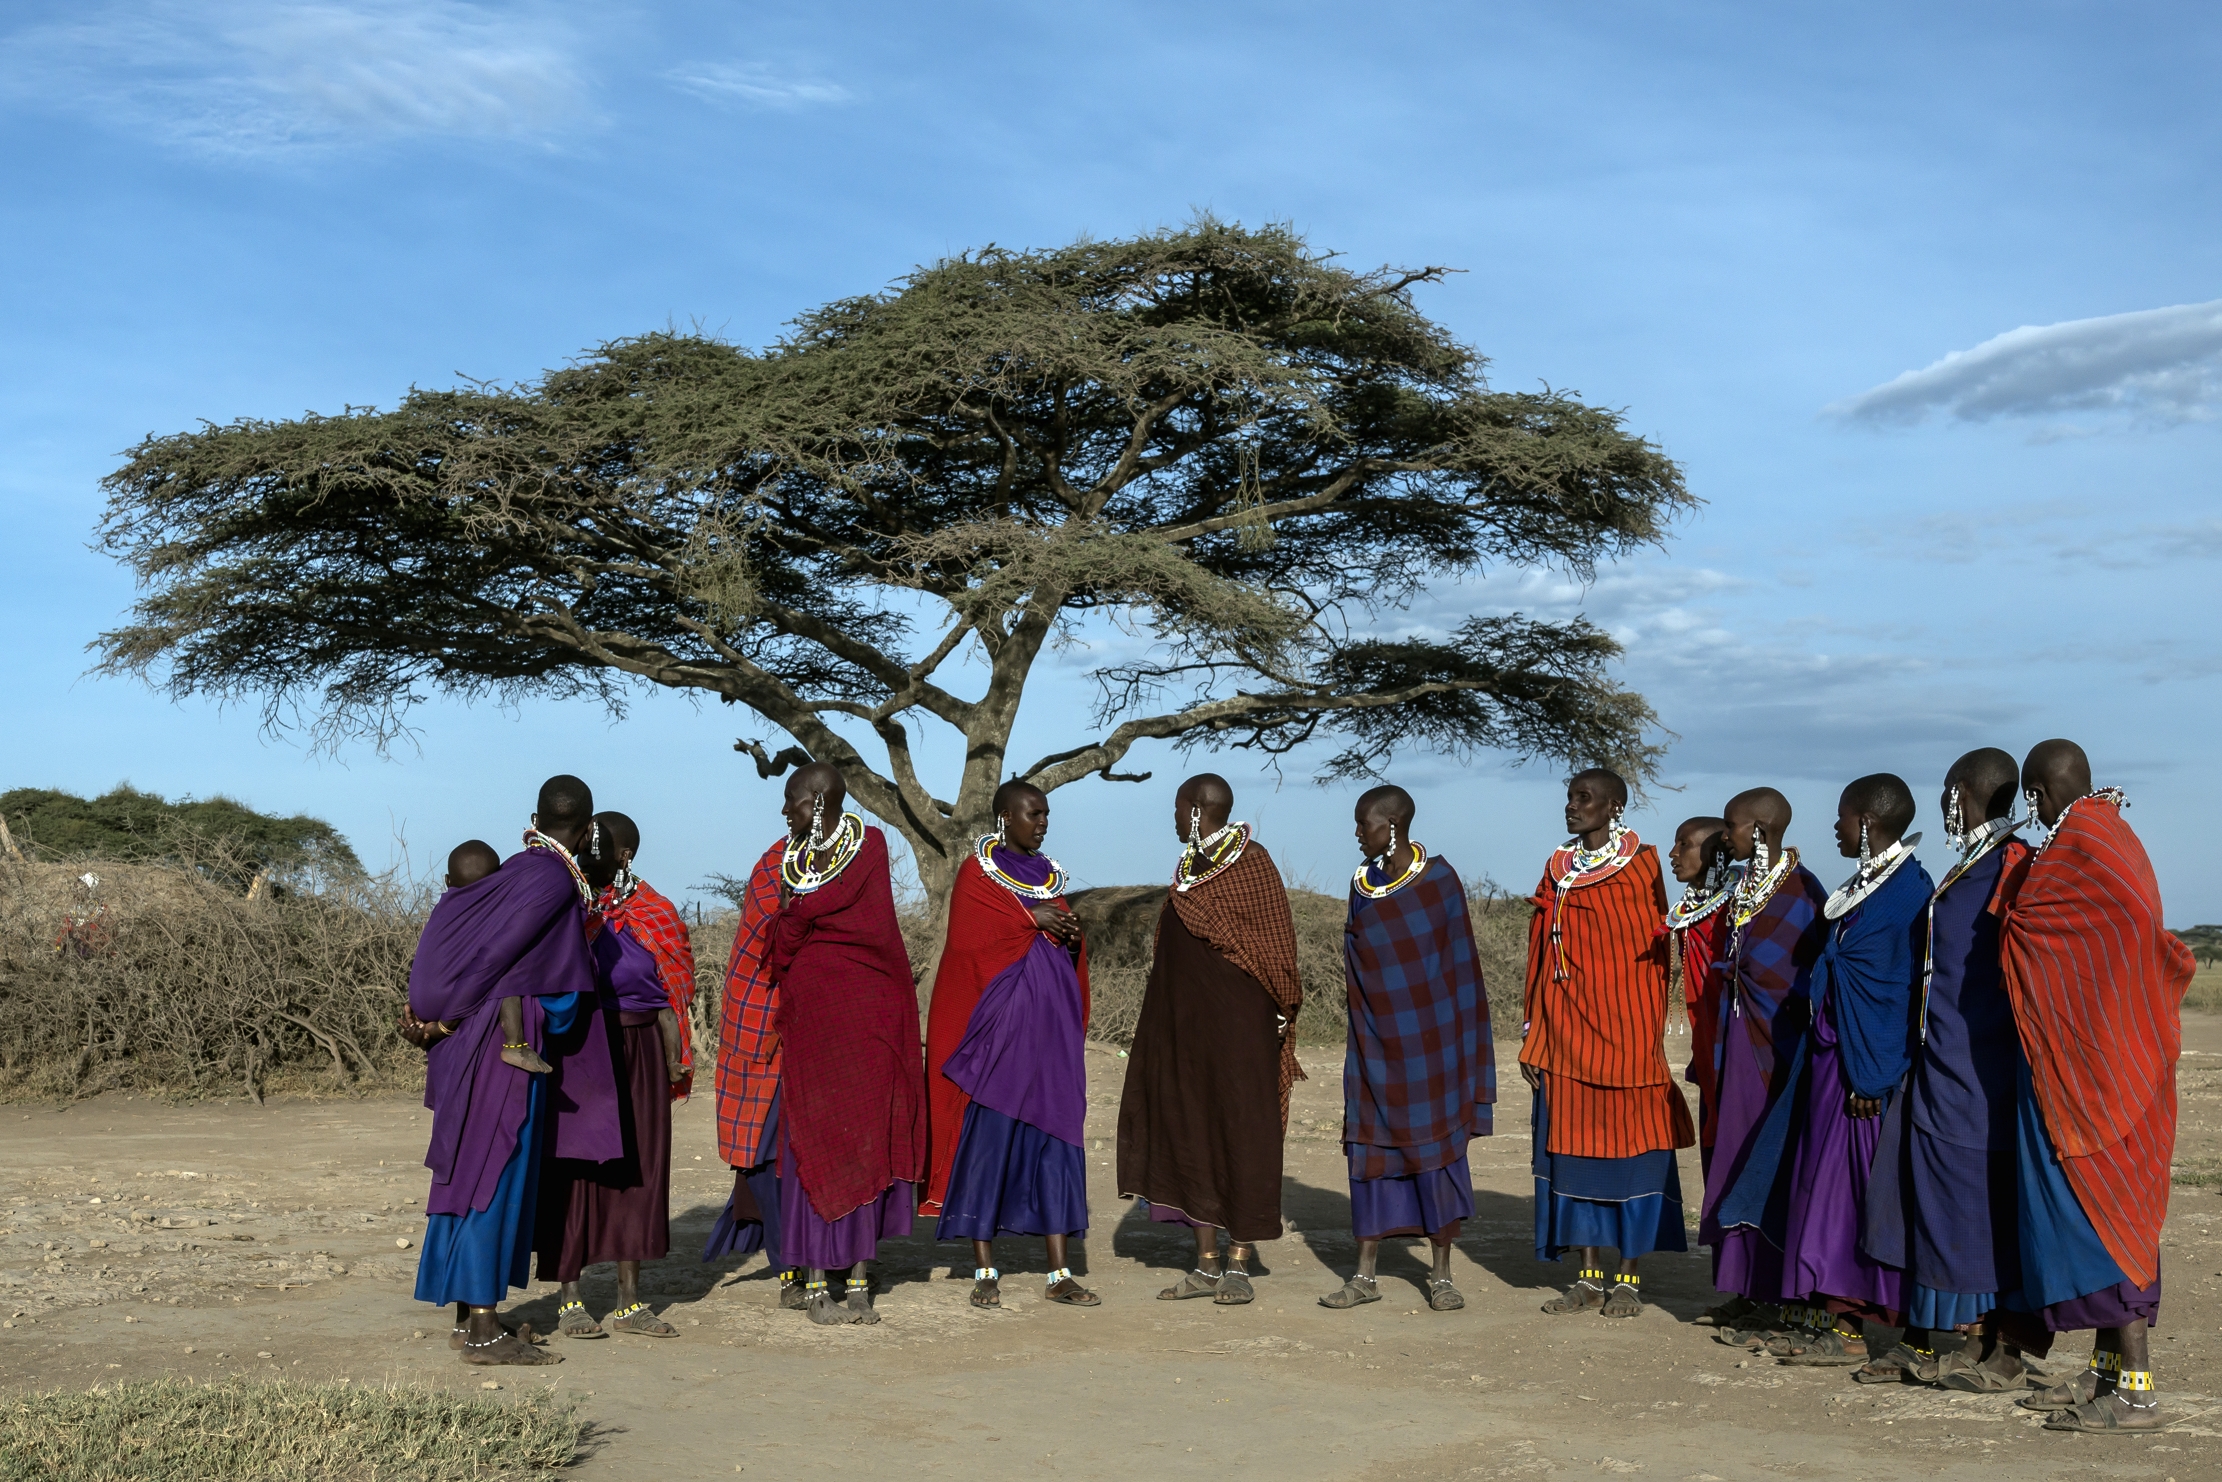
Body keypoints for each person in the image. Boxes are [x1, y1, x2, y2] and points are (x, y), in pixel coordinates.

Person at [1999, 741, 2193, 1433]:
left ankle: (2137, 1394)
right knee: (2103, 1212)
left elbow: (2091, 935)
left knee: (2106, 1216)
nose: (2033, 811)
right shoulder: (2107, 838)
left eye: (2033, 797)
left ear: (2041, 791)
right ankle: (2106, 1372)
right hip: (2102, 1064)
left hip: (2101, 1072)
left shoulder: (2084, 847)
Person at [406, 776, 621, 1366]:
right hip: (496, 1042)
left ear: (536, 816)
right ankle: (482, 1330)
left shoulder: (519, 871)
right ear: (588, 826)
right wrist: (447, 1021)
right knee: (491, 1170)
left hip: (472, 1035)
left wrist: (440, 1021)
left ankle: (468, 1316)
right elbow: (498, 960)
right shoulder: (551, 879)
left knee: (467, 1166)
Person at [1732, 775, 1929, 1366]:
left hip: (1865, 1076)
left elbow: (1895, 992)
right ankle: (1830, 1320)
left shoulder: (1906, 891)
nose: (1835, 828)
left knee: (1855, 1199)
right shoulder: (1866, 887)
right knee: (1821, 1191)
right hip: (1830, 1065)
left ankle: (1854, 1328)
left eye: (1842, 818)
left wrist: (1870, 1075)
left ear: (1866, 821)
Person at [1858, 748, 2032, 1388]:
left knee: (1980, 1202)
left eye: (1946, 791)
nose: (1942, 802)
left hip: (1983, 1068)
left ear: (1961, 792)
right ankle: (1930, 1339)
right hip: (1937, 1059)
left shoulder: (2015, 867)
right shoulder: (1973, 867)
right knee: (1923, 1196)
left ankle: (1997, 1345)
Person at [1116, 773, 1304, 1305]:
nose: (1173, 820)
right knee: (1189, 1131)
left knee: (1242, 1132)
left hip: (1240, 1031)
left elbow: (1274, 950)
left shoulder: (1255, 864)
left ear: (1197, 810)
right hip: (1183, 1032)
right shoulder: (1187, 870)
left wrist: (1276, 1014)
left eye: (1178, 810)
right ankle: (1204, 1263)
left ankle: (1240, 1264)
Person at [1523, 768, 1694, 1319]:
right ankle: (1589, 1277)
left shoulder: (1642, 863)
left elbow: (1656, 952)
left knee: (1634, 1153)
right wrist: (1534, 1032)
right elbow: (1540, 953)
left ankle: (1628, 1279)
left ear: (1614, 805)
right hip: (1566, 1037)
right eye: (1570, 798)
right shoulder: (1557, 867)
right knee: (1575, 1159)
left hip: (1627, 1035)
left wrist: (1648, 1034)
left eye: (1584, 799)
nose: (1572, 807)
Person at [926, 780, 1100, 1310]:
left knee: (1056, 1146)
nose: (1043, 822)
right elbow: (969, 941)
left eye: (1046, 813)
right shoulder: (979, 873)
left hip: (1050, 1038)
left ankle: (1059, 1273)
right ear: (1005, 816)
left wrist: (1069, 935)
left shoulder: (1048, 876)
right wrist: (1030, 920)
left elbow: (1061, 937)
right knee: (988, 1148)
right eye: (1033, 813)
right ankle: (984, 1270)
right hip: (999, 1041)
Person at [1321, 784, 1494, 1313]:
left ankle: (1441, 1276)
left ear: (1391, 824)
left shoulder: (1439, 881)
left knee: (1435, 1155)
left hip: (1431, 1042)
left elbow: (1459, 966)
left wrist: (1463, 1045)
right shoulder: (1360, 885)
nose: (1356, 833)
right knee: (1371, 1156)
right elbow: (1358, 960)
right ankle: (1364, 1274)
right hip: (1374, 1043)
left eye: (1363, 824)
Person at [769, 762, 928, 1325]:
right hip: (814, 1017)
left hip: (867, 1012)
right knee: (815, 1131)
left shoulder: (870, 846)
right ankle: (815, 1283)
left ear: (817, 800)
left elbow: (807, 920)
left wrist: (794, 910)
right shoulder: (792, 862)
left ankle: (857, 1278)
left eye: (791, 800)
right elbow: (782, 940)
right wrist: (791, 914)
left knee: (861, 1138)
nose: (784, 810)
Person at [537, 811, 692, 1339]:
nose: (583, 852)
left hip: (641, 1052)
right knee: (573, 1172)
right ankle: (569, 1299)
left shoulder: (657, 913)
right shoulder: (569, 905)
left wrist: (675, 1060)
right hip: (580, 1047)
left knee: (637, 1173)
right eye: (582, 842)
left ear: (623, 854)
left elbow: (674, 993)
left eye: (594, 845)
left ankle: (629, 1301)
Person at [1699, 786, 1828, 1339]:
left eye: (1732, 827)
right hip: (1740, 1049)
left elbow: (1797, 983)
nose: (1725, 838)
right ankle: (1747, 1288)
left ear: (1759, 831)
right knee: (1733, 1160)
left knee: (1771, 1166)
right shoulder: (1741, 892)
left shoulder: (1802, 893)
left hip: (1778, 1054)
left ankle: (1778, 1294)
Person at [701, 822, 797, 1304]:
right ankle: (787, 1266)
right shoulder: (772, 867)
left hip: (823, 1024)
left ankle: (826, 1257)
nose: (791, 814)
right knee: (765, 1151)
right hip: (760, 1018)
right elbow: (766, 939)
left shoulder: (851, 860)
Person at [1665, 816, 1736, 1170]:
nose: (1672, 853)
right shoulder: (1690, 912)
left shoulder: (1736, 908)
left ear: (1715, 853)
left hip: (1734, 1049)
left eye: (1684, 845)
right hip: (1706, 1048)